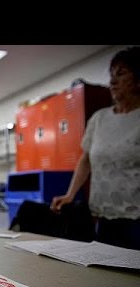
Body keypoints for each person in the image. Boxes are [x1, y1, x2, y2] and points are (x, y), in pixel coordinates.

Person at [51, 46, 140, 250]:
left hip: (137, 219)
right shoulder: (100, 119)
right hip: (103, 216)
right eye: (111, 75)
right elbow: (86, 159)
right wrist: (70, 194)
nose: (112, 81)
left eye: (121, 74)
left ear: (138, 79)